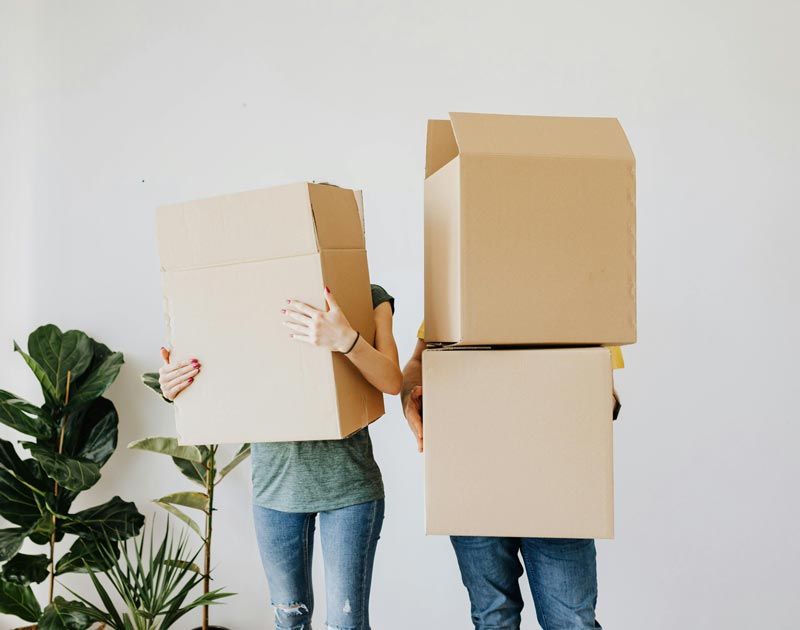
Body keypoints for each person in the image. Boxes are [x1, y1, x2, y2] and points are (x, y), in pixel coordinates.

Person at [158, 284, 402, 630]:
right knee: (289, 620)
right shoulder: (244, 295)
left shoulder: (368, 295)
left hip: (349, 488)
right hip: (276, 491)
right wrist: (175, 385)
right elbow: (217, 373)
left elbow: (392, 381)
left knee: (347, 624)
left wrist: (346, 339)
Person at [402, 322, 619, 630]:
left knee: (573, 622)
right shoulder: (461, 282)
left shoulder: (578, 288)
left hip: (557, 483)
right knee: (494, 619)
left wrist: (592, 404)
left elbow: (599, 374)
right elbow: (420, 362)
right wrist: (410, 399)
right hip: (473, 475)